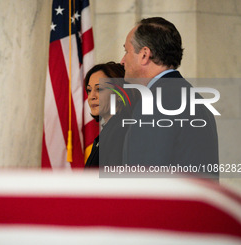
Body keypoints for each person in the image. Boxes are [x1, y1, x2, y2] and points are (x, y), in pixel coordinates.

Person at [120, 17, 219, 174]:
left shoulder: (156, 102)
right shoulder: (196, 98)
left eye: (126, 51)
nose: (122, 60)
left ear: (144, 54)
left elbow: (145, 180)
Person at [84, 62, 136, 168]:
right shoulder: (112, 128)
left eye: (99, 89)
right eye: (89, 90)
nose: (91, 96)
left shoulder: (121, 130)